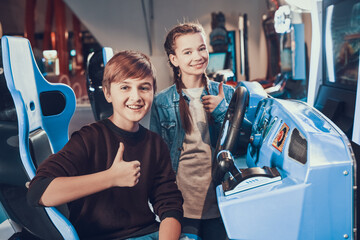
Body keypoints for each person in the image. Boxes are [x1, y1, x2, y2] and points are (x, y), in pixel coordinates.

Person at [27, 50, 183, 240]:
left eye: (144, 88)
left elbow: (170, 206)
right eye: (125, 88)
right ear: (108, 93)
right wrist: (111, 177)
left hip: (149, 233)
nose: (136, 97)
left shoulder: (155, 144)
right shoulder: (88, 138)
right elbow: (39, 192)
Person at [150, 22, 235, 240]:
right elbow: (157, 160)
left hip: (221, 202)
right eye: (187, 52)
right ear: (174, 59)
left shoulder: (227, 94)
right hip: (182, 207)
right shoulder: (162, 102)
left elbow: (246, 143)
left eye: (201, 48)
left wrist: (221, 111)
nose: (197, 56)